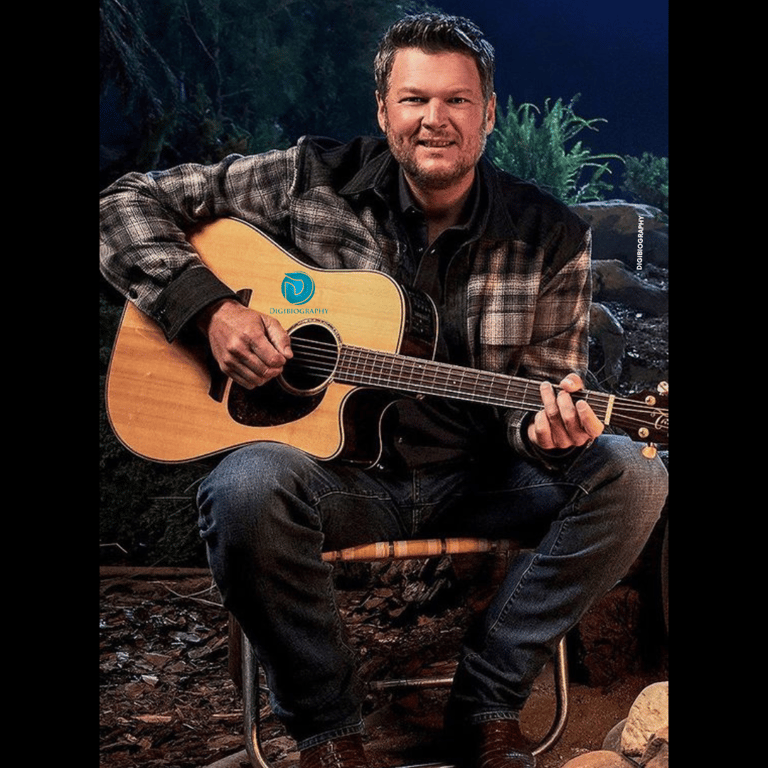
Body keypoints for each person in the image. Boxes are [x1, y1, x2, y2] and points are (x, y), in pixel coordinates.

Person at [100, 13, 668, 768]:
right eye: (414, 99)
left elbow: (542, 385)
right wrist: (209, 310)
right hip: (334, 479)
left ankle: (488, 699)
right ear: (383, 110)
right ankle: (331, 734)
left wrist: (545, 429)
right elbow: (121, 204)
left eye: (458, 101)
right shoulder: (310, 175)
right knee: (242, 488)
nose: (435, 119)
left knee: (635, 473)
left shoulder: (550, 232)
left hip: (481, 479)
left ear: (488, 112)